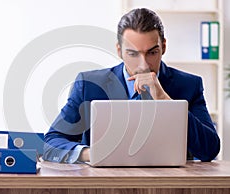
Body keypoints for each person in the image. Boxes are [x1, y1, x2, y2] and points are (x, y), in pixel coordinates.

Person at [43, 8, 220, 163]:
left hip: (169, 183)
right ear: (119, 50)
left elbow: (209, 150)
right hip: (107, 183)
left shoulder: (189, 85)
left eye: (152, 52)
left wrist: (164, 100)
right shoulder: (89, 85)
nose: (143, 65)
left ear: (163, 47)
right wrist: (91, 154)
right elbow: (51, 142)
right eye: (133, 54)